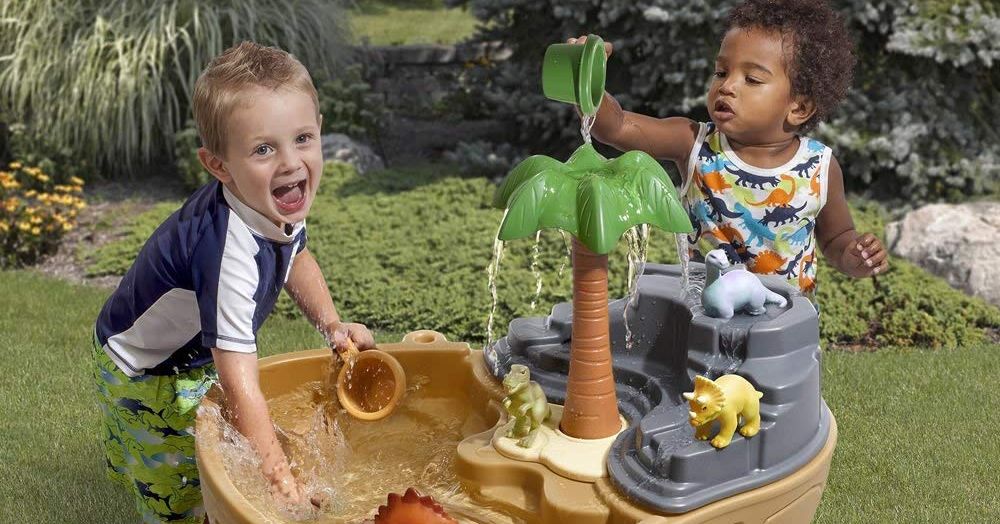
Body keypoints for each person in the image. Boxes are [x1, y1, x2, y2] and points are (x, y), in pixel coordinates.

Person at [92, 41, 374, 523]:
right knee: (184, 489)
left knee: (227, 439)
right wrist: (278, 478)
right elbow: (241, 386)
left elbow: (297, 255)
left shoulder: (274, 200)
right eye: (264, 149)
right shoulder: (227, 253)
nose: (290, 162)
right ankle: (148, 469)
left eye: (302, 139)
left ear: (320, 131)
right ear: (219, 166)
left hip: (190, 353)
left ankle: (134, 450)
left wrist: (332, 325)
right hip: (147, 369)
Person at [572, 0, 888, 304]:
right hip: (704, 315)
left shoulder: (819, 166)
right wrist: (586, 81)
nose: (727, 86)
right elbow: (617, 128)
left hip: (783, 325)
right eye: (722, 72)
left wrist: (853, 256)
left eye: (752, 79)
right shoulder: (692, 142)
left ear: (799, 107)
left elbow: (836, 238)